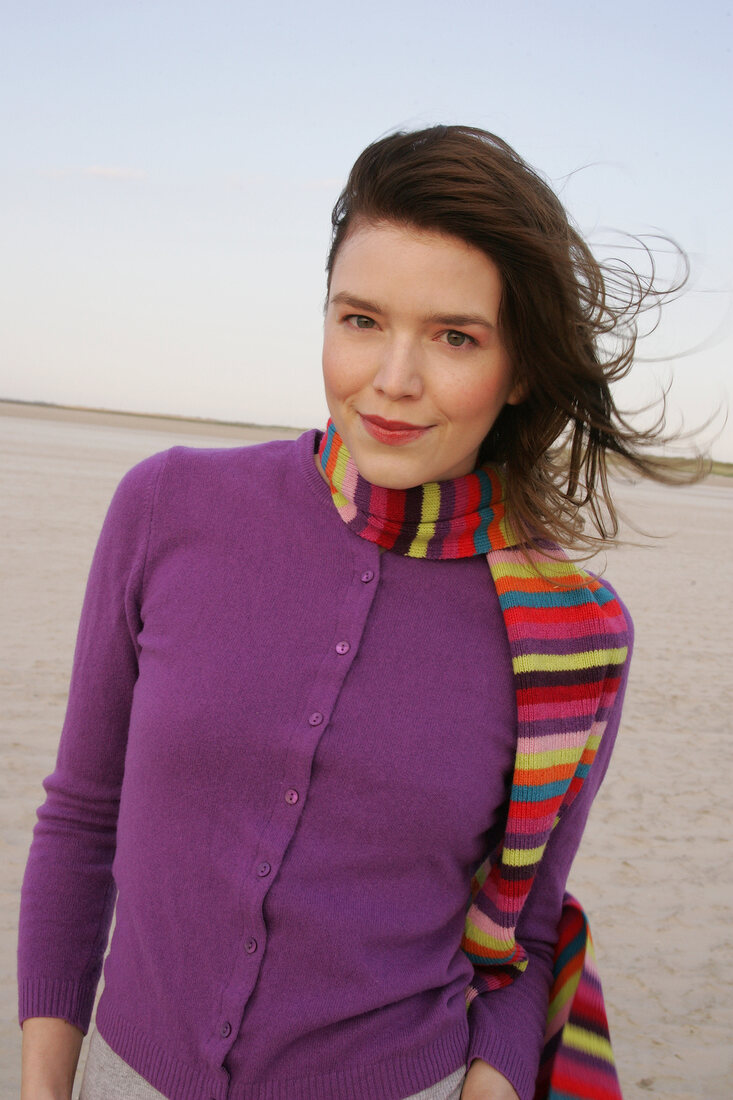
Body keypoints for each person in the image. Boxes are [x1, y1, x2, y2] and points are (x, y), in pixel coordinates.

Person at [18, 125, 690, 1100]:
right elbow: (81, 821)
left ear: (523, 369)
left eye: (454, 336)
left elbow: (526, 934)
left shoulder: (573, 634)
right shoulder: (167, 508)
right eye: (361, 319)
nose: (392, 380)